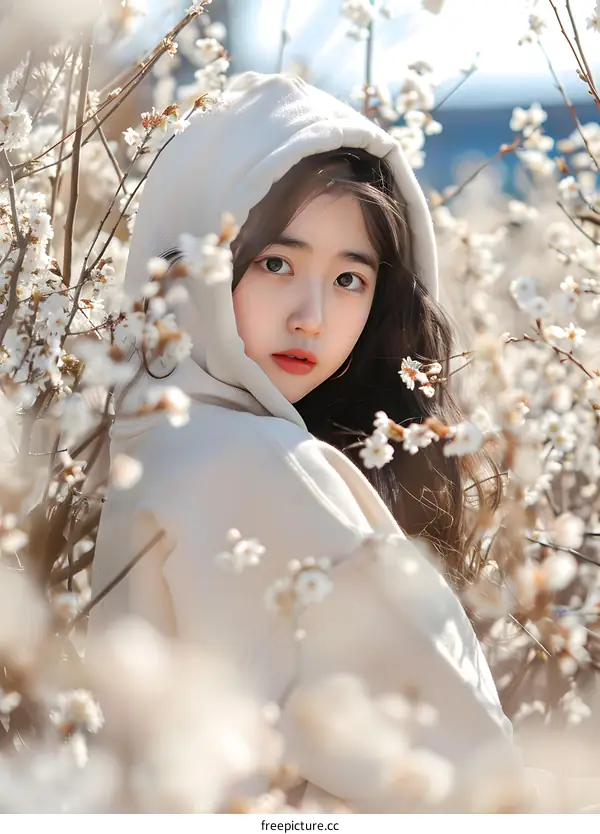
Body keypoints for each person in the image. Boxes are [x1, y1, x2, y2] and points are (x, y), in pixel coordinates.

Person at [88, 71, 513, 810]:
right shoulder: (257, 465)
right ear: (195, 259)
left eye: (351, 279)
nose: (311, 315)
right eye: (276, 263)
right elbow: (477, 786)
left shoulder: (144, 445)